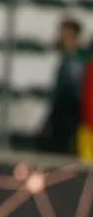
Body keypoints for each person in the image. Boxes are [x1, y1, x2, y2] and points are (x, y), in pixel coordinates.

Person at [37, 18, 87, 154]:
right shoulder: (68, 57)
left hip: (73, 112)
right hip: (63, 110)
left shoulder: (80, 58)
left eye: (64, 33)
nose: (61, 37)